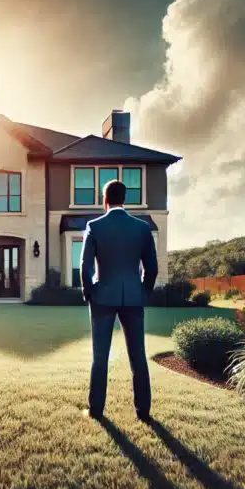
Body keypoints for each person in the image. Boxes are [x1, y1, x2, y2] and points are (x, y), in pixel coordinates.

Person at [80, 179, 158, 421]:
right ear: (125, 199)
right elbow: (152, 268)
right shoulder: (143, 228)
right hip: (134, 298)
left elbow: (85, 265)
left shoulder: (94, 225)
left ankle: (96, 410)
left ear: (105, 200)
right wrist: (142, 292)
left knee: (100, 356)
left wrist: (90, 291)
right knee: (138, 355)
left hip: (102, 298)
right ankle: (143, 411)